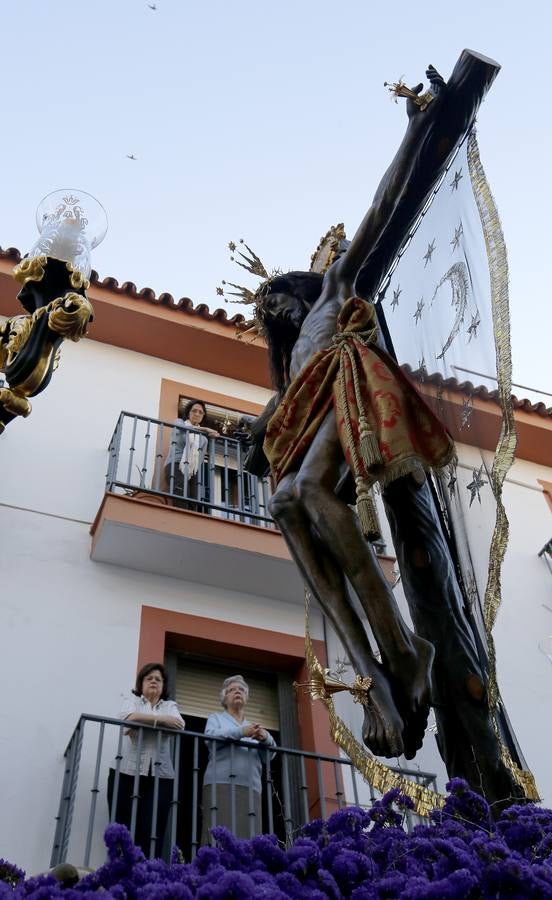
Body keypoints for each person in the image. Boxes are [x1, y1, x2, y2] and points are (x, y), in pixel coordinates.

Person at [107, 662, 185, 857]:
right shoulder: (131, 700)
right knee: (121, 828)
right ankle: (119, 871)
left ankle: (146, 875)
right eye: (149, 678)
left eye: (158, 679)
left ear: (163, 686)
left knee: (151, 830)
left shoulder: (170, 706)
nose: (153, 682)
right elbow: (126, 718)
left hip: (160, 776)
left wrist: (142, 721)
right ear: (141, 683)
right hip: (125, 772)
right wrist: (160, 721)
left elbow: (179, 725)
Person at [202, 675, 276, 843]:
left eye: (241, 690)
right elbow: (210, 738)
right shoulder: (216, 718)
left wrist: (266, 738)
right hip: (220, 783)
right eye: (232, 690)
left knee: (248, 839)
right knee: (217, 838)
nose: (237, 692)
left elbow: (268, 757)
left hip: (250, 787)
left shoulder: (253, 726)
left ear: (246, 697)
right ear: (224, 698)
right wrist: (242, 732)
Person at [164, 399, 218, 509]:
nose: (197, 414)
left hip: (193, 471)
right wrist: (206, 429)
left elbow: (201, 458)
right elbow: (185, 429)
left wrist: (212, 438)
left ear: (203, 416)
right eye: (194, 411)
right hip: (176, 465)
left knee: (194, 503)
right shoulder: (179, 422)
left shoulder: (203, 439)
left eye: (200, 412)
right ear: (188, 412)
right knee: (181, 499)